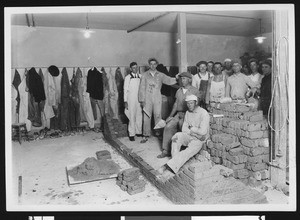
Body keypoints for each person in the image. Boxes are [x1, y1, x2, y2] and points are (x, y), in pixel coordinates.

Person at [158, 94, 210, 174]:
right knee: (176, 137)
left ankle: (168, 166)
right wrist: (194, 132)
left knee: (187, 152)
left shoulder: (203, 113)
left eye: (191, 103)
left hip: (199, 140)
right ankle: (175, 164)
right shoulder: (187, 113)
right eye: (188, 103)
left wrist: (192, 129)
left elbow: (202, 132)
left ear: (196, 103)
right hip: (192, 135)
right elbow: (184, 129)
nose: (189, 105)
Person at [157, 72, 200, 158]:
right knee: (168, 126)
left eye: (184, 78)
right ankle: (166, 150)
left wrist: (192, 117)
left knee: (182, 126)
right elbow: (176, 104)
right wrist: (170, 116)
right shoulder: (179, 90)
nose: (182, 80)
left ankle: (185, 151)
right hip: (178, 113)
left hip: (189, 114)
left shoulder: (195, 90)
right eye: (181, 79)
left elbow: (197, 105)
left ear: (189, 80)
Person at [138, 58, 178, 143]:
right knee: (146, 116)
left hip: (157, 98)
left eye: (154, 64)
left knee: (158, 115)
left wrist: (177, 78)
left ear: (156, 65)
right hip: (147, 98)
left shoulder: (160, 75)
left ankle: (158, 133)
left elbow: (169, 80)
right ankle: (145, 135)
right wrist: (142, 100)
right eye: (151, 64)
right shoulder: (144, 75)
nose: (152, 66)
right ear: (149, 65)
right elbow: (141, 88)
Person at [123, 62, 142, 141]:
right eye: (134, 68)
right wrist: (125, 101)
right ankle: (132, 134)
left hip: (139, 99)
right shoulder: (128, 77)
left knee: (139, 115)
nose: (135, 69)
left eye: (136, 67)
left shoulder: (140, 76)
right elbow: (125, 90)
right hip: (131, 99)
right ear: (130, 69)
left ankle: (138, 132)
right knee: (131, 116)